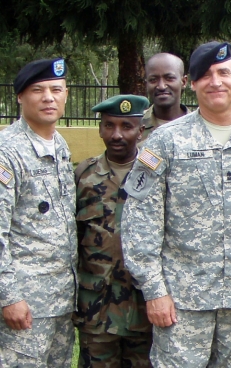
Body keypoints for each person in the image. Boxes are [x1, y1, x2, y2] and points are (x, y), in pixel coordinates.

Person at [121, 41, 231, 367]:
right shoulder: (166, 141)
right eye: (206, 75)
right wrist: (154, 290)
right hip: (182, 299)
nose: (216, 82)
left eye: (224, 73)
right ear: (192, 83)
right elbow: (140, 220)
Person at [0, 58, 77, 366]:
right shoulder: (7, 152)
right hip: (26, 303)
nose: (49, 98)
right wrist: (9, 296)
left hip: (59, 300)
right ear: (20, 96)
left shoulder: (59, 144)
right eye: (38, 90)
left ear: (66, 94)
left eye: (56, 89)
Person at [73, 94, 152, 368]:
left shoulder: (156, 174)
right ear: (100, 128)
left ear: (140, 131)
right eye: (109, 125)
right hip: (96, 309)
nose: (116, 134)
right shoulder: (84, 175)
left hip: (145, 308)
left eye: (126, 126)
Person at [141, 53, 189, 142]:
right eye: (153, 80)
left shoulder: (201, 125)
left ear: (184, 82)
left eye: (169, 78)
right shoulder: (134, 127)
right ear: (146, 84)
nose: (161, 86)